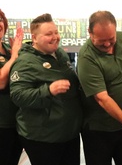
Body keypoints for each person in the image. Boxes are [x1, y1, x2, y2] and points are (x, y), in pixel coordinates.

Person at [9, 13, 82, 165]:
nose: (55, 37)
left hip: (68, 133)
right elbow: (17, 95)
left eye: (56, 32)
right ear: (34, 38)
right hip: (43, 137)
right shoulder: (25, 62)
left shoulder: (60, 54)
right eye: (49, 34)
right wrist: (48, 90)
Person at [77, 10, 122, 165]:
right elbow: (102, 98)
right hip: (99, 129)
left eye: (111, 39)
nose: (107, 44)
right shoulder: (86, 57)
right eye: (101, 40)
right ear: (90, 33)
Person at [0, 9, 24, 165]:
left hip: (15, 122)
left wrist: (17, 54)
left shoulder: (7, 49)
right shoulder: (11, 53)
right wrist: (15, 56)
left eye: (0, 19)